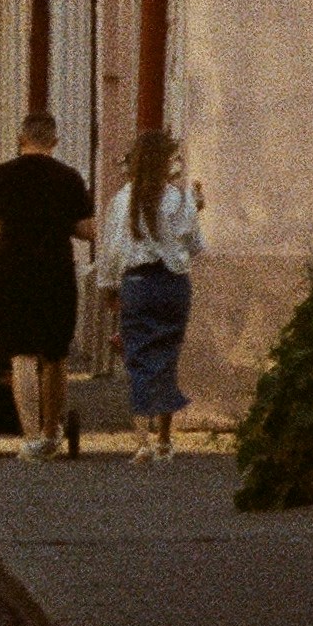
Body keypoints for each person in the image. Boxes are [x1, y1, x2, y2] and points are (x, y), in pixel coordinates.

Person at [0, 105, 97, 458]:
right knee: (55, 355)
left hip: (12, 273)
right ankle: (51, 432)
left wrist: (3, 247)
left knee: (21, 354)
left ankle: (30, 438)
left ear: (21, 139)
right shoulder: (69, 178)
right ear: (54, 142)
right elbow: (86, 230)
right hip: (56, 271)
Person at [100, 126, 205, 456]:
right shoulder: (178, 198)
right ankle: (164, 440)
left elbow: (112, 250)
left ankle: (142, 441)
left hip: (137, 284)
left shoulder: (122, 200)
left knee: (139, 358)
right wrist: (195, 207)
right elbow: (194, 245)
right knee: (166, 356)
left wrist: (108, 287)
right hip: (173, 284)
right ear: (167, 162)